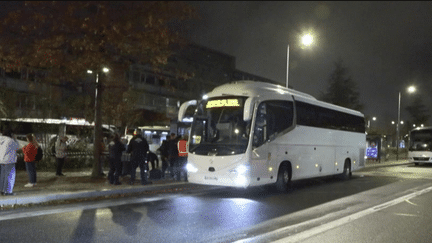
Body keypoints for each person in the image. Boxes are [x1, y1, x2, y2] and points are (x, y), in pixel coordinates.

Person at [0, 128, 19, 196]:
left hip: (1, 160)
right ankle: (8, 191)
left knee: (3, 176)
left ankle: (2, 190)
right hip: (9, 160)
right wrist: (15, 139)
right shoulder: (10, 140)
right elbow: (17, 147)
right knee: (10, 176)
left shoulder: (1, 139)